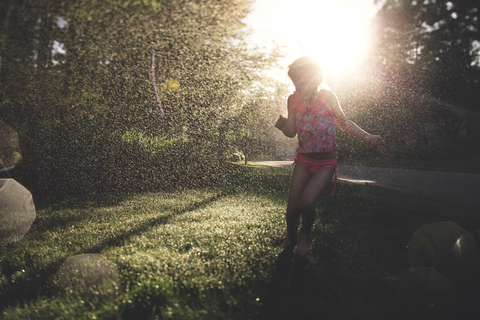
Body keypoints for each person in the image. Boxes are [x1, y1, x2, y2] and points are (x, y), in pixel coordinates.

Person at [275, 57, 386, 257]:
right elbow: (292, 131)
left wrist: (369, 137)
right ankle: (290, 237)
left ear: (316, 78)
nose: (298, 85)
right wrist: (284, 126)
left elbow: (344, 122)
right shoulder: (293, 100)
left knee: (307, 203)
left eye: (302, 79)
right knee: (292, 208)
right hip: (303, 160)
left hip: (326, 162)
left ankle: (304, 236)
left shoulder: (327, 97)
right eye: (295, 81)